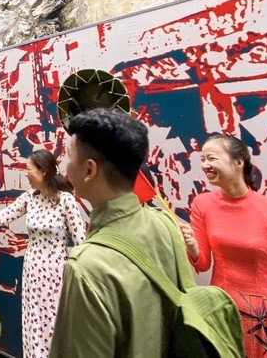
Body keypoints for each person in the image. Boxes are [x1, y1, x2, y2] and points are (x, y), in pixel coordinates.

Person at [49, 108, 185, 357]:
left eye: (69, 157)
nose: (65, 167)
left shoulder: (88, 268)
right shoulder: (165, 225)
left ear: (89, 170)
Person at [180, 134, 267, 357]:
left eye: (211, 158)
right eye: (202, 159)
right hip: (222, 315)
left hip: (266, 321)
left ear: (238, 162)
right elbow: (202, 264)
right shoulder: (202, 204)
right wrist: (192, 246)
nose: (205, 165)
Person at [0, 149, 86, 358]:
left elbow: (81, 241)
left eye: (28, 169)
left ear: (43, 171)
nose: (25, 173)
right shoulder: (29, 198)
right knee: (32, 324)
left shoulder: (66, 201)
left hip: (56, 274)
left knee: (53, 324)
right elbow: (1, 219)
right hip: (32, 271)